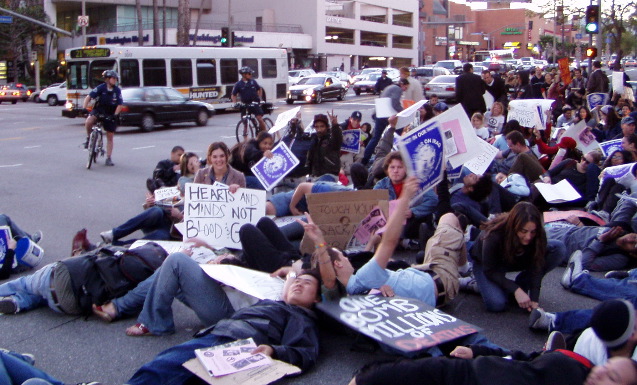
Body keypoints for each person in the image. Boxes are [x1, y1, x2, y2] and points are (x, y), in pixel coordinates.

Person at [126, 270, 321, 385]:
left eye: (307, 283)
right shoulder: (278, 303)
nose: (298, 284)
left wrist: (273, 351)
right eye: (297, 281)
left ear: (317, 298)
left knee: (162, 367)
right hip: (222, 332)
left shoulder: (301, 318)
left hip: (232, 342)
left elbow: (305, 353)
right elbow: (290, 281)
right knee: (171, 369)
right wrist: (292, 275)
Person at [347, 346, 637, 385]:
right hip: (471, 371)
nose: (601, 372)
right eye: (607, 366)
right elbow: (523, 356)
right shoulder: (578, 362)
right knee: (382, 375)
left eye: (611, 378)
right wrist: (477, 351)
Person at [470, 202, 564, 312]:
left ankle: (521, 284)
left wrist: (534, 300)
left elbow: (537, 266)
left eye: (532, 232)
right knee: (497, 304)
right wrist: (516, 290)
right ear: (514, 226)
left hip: (513, 259)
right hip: (487, 265)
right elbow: (490, 270)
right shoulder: (493, 235)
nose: (528, 237)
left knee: (558, 248)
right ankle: (473, 284)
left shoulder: (538, 235)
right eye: (523, 231)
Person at [373, 152, 438, 241]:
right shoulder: (381, 185)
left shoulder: (415, 182)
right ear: (387, 169)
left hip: (410, 221)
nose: (395, 171)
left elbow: (433, 200)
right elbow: (372, 203)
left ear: (406, 169)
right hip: (390, 222)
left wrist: (413, 212)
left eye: (400, 167)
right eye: (392, 167)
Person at [362, 80, 409, 165]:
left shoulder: (390, 87)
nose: (405, 89)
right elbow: (394, 103)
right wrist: (403, 111)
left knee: (376, 138)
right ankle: (399, 156)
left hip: (379, 113)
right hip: (385, 115)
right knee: (398, 133)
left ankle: (365, 159)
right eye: (405, 87)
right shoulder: (397, 89)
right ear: (402, 85)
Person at [82, 70, 123, 166]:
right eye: (113, 78)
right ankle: (89, 138)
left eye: (116, 79)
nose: (115, 80)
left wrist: (115, 115)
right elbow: (88, 97)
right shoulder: (101, 88)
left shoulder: (117, 90)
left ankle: (108, 158)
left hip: (110, 113)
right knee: (89, 121)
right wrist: (84, 108)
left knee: (110, 136)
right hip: (99, 110)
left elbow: (120, 105)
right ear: (108, 79)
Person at [306, 112, 343, 180]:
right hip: (315, 175)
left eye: (322, 126)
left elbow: (338, 140)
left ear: (327, 126)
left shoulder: (331, 138)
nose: (319, 129)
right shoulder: (314, 139)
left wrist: (335, 125)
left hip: (330, 174)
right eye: (317, 127)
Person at [231, 66, 266, 134]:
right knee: (245, 122)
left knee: (259, 119)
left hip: (254, 103)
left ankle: (265, 133)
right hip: (245, 104)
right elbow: (233, 95)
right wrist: (235, 103)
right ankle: (245, 139)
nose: (251, 75)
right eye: (249, 74)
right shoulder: (238, 84)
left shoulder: (253, 82)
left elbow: (259, 89)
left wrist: (260, 97)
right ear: (244, 75)